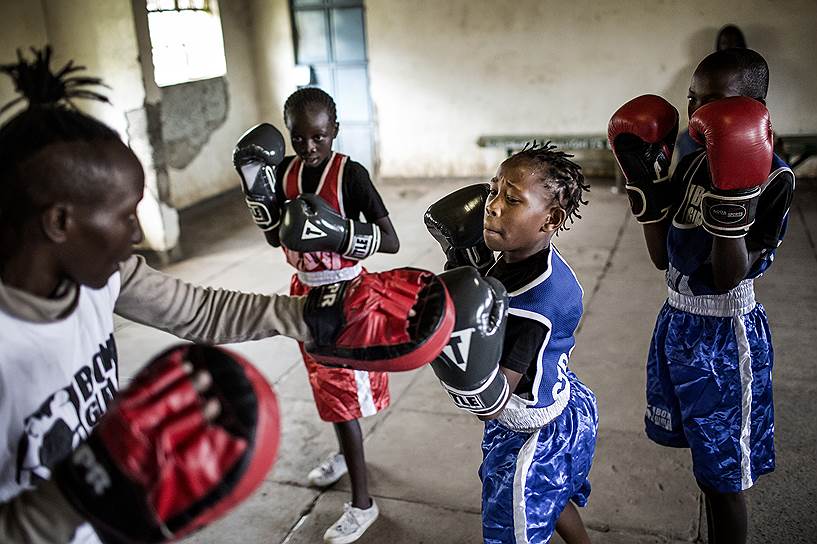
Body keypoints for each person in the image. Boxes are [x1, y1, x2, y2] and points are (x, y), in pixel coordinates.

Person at [0, 48, 439, 544]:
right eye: (125, 217)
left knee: (343, 404)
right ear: (60, 222)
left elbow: (199, 311)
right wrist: (65, 504)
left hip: (108, 528)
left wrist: (311, 314)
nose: (136, 236)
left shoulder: (108, 276)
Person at [608, 48, 794, 544]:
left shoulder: (773, 177)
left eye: (714, 104)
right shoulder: (690, 158)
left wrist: (733, 201)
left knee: (724, 478)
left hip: (727, 335)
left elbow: (730, 275)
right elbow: (660, 258)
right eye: (693, 100)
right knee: (701, 461)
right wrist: (642, 183)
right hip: (677, 319)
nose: (697, 115)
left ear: (754, 109)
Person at [425, 143, 598, 544]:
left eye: (513, 199)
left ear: (550, 218)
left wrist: (448, 342)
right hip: (563, 399)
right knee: (552, 498)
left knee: (512, 526)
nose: (493, 206)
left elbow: (492, 401)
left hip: (530, 433)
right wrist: (465, 264)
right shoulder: (523, 257)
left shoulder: (533, 308)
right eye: (493, 190)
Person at [268, 87, 399, 544]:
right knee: (326, 390)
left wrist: (341, 231)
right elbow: (276, 238)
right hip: (303, 291)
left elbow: (391, 240)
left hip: (345, 294)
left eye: (319, 137)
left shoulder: (351, 175)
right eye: (299, 138)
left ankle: (363, 504)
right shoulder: (285, 173)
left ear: (335, 132)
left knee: (343, 397)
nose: (308, 147)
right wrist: (256, 195)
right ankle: (347, 456)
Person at [676, 24, 748, 161]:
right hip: (709, 125)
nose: (729, 47)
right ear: (718, 45)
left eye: (735, 42)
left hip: (740, 128)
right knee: (686, 139)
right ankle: (686, 180)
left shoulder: (749, 71)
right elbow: (696, 99)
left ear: (743, 44)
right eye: (725, 43)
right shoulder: (708, 70)